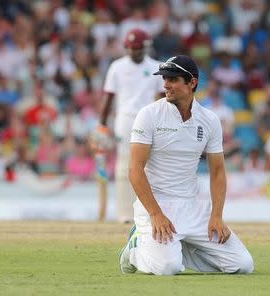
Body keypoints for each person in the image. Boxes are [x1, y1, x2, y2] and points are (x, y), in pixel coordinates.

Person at [119, 55, 254, 275]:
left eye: (172, 79)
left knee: (242, 265)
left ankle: (178, 246)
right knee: (168, 267)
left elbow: (218, 172)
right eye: (164, 78)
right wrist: (155, 214)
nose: (165, 85)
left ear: (192, 82)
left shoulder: (209, 120)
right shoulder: (149, 115)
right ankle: (134, 250)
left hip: (193, 207)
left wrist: (217, 216)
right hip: (156, 205)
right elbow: (135, 170)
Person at [99, 28, 164, 223]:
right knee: (124, 165)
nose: (134, 52)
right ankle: (125, 213)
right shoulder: (117, 67)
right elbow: (108, 98)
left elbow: (163, 98)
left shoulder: (156, 67)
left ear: (146, 47)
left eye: (138, 48)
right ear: (126, 47)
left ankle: (146, 211)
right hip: (126, 119)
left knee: (149, 166)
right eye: (131, 48)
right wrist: (101, 125)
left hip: (149, 119)